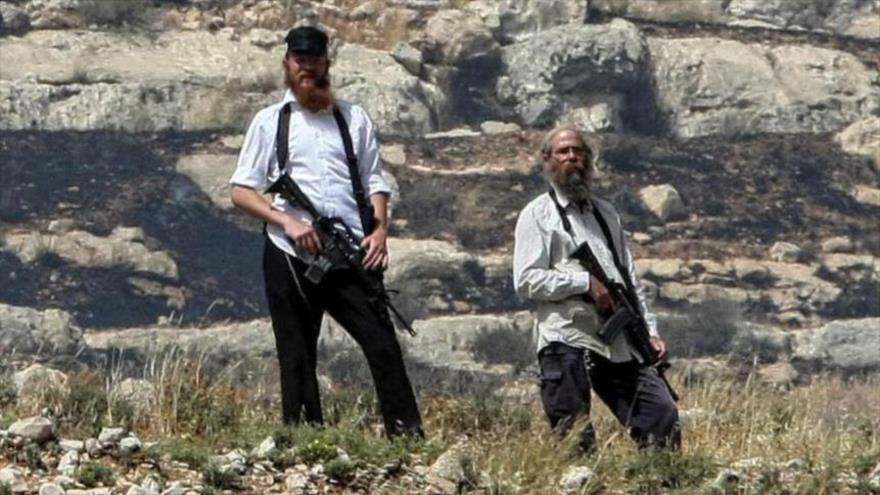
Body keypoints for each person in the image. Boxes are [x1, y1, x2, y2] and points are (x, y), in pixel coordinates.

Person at [228, 26, 422, 437]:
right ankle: (305, 441)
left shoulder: (353, 118)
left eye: (314, 60)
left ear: (326, 63)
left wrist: (380, 230)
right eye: (300, 60)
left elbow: (375, 182)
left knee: (383, 345)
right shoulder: (270, 123)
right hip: (290, 252)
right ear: (287, 64)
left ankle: (406, 438)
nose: (307, 68)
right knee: (296, 351)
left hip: (349, 251)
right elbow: (242, 191)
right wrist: (288, 222)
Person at [513, 126, 680, 453]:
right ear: (548, 160)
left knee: (661, 417)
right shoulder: (537, 214)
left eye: (579, 151)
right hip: (567, 337)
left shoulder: (605, 214)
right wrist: (584, 283)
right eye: (563, 152)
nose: (572, 158)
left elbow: (628, 279)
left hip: (617, 341)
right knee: (574, 435)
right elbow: (526, 280)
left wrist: (651, 333)